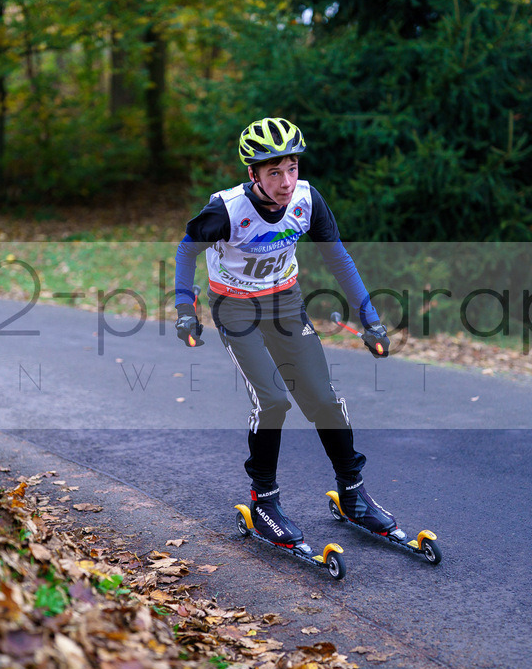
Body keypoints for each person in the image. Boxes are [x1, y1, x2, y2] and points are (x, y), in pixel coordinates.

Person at [173, 117, 405, 553]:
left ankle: (353, 493)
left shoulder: (307, 199)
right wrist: (185, 307)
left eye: (292, 167)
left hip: (285, 303)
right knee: (274, 399)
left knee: (322, 397)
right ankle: (264, 502)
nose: (285, 181)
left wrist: (371, 319)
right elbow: (188, 248)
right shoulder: (225, 210)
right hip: (236, 307)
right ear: (253, 175)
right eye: (273, 171)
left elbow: (339, 259)